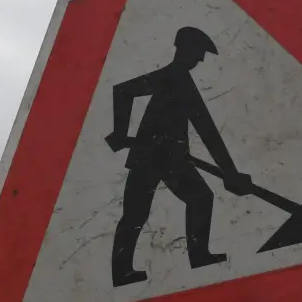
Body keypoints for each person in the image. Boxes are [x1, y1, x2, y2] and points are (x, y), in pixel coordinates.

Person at [105, 26, 253, 288]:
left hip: (170, 159)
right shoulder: (172, 77)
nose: (201, 59)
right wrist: (120, 133)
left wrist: (230, 173)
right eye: (198, 52)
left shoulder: (181, 80)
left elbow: (206, 129)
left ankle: (196, 257)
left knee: (195, 199)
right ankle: (125, 271)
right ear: (184, 49)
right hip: (152, 158)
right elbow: (122, 91)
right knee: (138, 214)